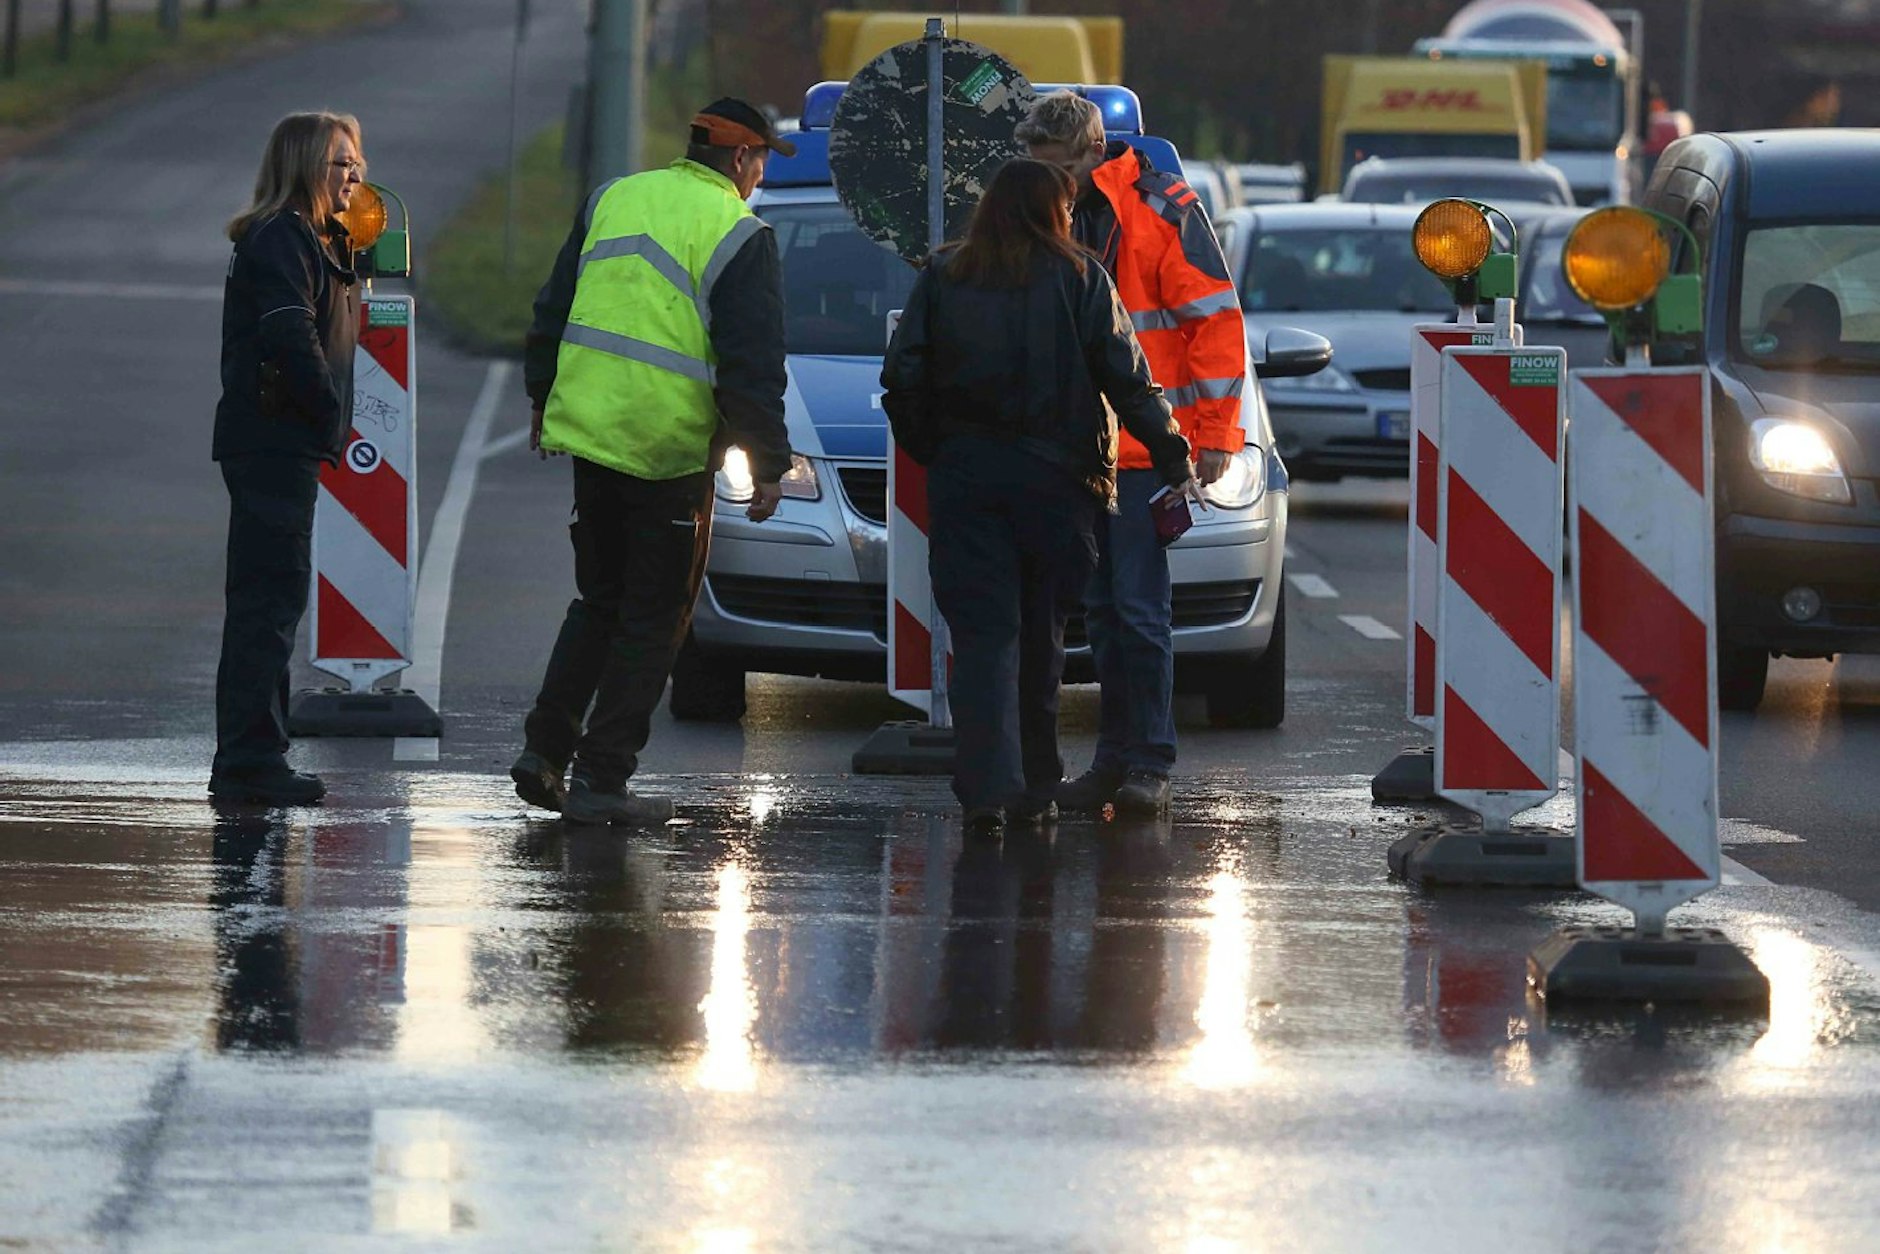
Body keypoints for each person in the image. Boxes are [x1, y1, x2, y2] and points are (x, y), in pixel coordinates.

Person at [881, 158, 1195, 837]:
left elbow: (902, 378)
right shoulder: (1080, 277)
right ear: (1056, 211)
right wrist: (1171, 451)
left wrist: (935, 448)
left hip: (967, 480)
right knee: (1040, 637)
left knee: (984, 635)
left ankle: (988, 791)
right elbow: (1126, 377)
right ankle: (1037, 785)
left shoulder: (945, 275)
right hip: (1060, 486)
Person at [512, 98, 796, 826]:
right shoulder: (738, 232)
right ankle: (603, 781)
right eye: (760, 161)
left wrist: (543, 398)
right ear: (739, 160)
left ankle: (544, 751)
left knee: (598, 601)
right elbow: (751, 363)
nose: (759, 176)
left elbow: (553, 309)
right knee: (654, 617)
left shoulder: (615, 196)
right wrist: (768, 462)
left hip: (592, 435)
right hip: (667, 449)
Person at [1017, 92, 1251, 817]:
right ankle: (1117, 761)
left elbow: (1214, 321)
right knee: (1107, 617)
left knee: (1139, 614)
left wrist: (1212, 436)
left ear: (1090, 153)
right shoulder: (1051, 205)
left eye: (1055, 167)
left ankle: (1148, 761)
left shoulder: (1159, 209)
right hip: (1082, 450)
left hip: (1148, 448)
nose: (1048, 181)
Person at [209, 112, 365, 805]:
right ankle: (248, 763)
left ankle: (258, 752)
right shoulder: (282, 239)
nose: (355, 176)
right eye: (340, 164)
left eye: (358, 161)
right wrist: (328, 409)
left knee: (273, 599)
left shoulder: (315, 238)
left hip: (283, 439)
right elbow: (289, 333)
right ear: (303, 166)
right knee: (267, 604)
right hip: (274, 438)